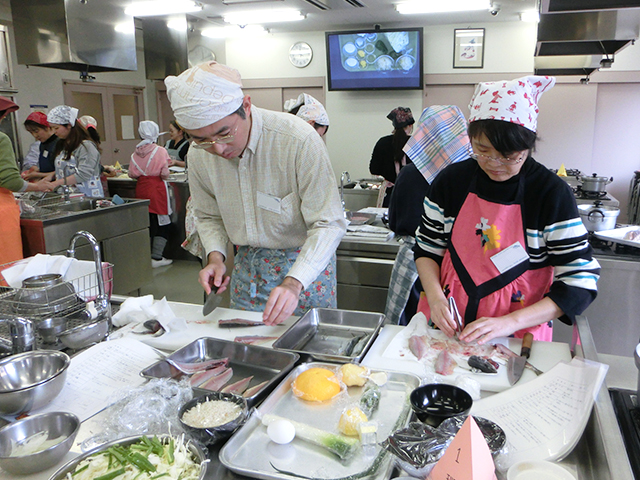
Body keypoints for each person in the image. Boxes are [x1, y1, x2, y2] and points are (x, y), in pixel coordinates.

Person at [414, 76, 600, 344]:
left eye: (509, 155)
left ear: (529, 145)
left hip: (517, 339)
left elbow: (580, 280)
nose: (494, 163)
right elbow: (427, 249)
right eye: (483, 150)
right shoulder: (451, 182)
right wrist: (435, 297)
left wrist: (508, 323)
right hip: (444, 331)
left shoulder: (550, 194)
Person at [164, 61, 346, 325]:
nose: (217, 150)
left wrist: (294, 284)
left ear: (246, 106)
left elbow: (328, 223)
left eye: (224, 133)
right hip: (248, 272)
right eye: (201, 139)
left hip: (305, 273)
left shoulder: (298, 141)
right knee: (248, 352)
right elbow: (207, 215)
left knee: (309, 359)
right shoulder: (198, 155)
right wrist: (216, 256)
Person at [385, 105, 470, 325]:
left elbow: (394, 220)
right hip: (458, 269)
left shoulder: (410, 174)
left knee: (411, 333)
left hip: (416, 264)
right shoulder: (470, 177)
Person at [0, 97, 53, 264]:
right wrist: (36, 186)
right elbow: (11, 181)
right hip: (2, 214)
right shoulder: (1, 139)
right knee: (6, 272)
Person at [128, 120, 173, 268]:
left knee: (147, 222)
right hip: (157, 189)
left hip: (141, 188)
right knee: (162, 222)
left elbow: (132, 173)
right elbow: (165, 174)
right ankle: (157, 257)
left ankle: (144, 255)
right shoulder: (160, 151)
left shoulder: (135, 152)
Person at [44, 105, 104, 198]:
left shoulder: (86, 146)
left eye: (56, 128)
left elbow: (83, 174)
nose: (54, 132)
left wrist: (55, 184)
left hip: (87, 196)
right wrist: (51, 176)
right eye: (51, 128)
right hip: (69, 195)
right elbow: (69, 168)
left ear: (69, 125)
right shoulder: (63, 145)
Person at [369, 107, 415, 207]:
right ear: (410, 125)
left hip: (389, 196)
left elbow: (373, 169)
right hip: (412, 195)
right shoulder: (415, 144)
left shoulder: (382, 142)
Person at [21, 112, 58, 180]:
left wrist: (38, 175)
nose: (35, 135)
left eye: (36, 131)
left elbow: (64, 173)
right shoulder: (43, 144)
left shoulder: (59, 144)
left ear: (47, 127)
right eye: (31, 132)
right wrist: (36, 169)